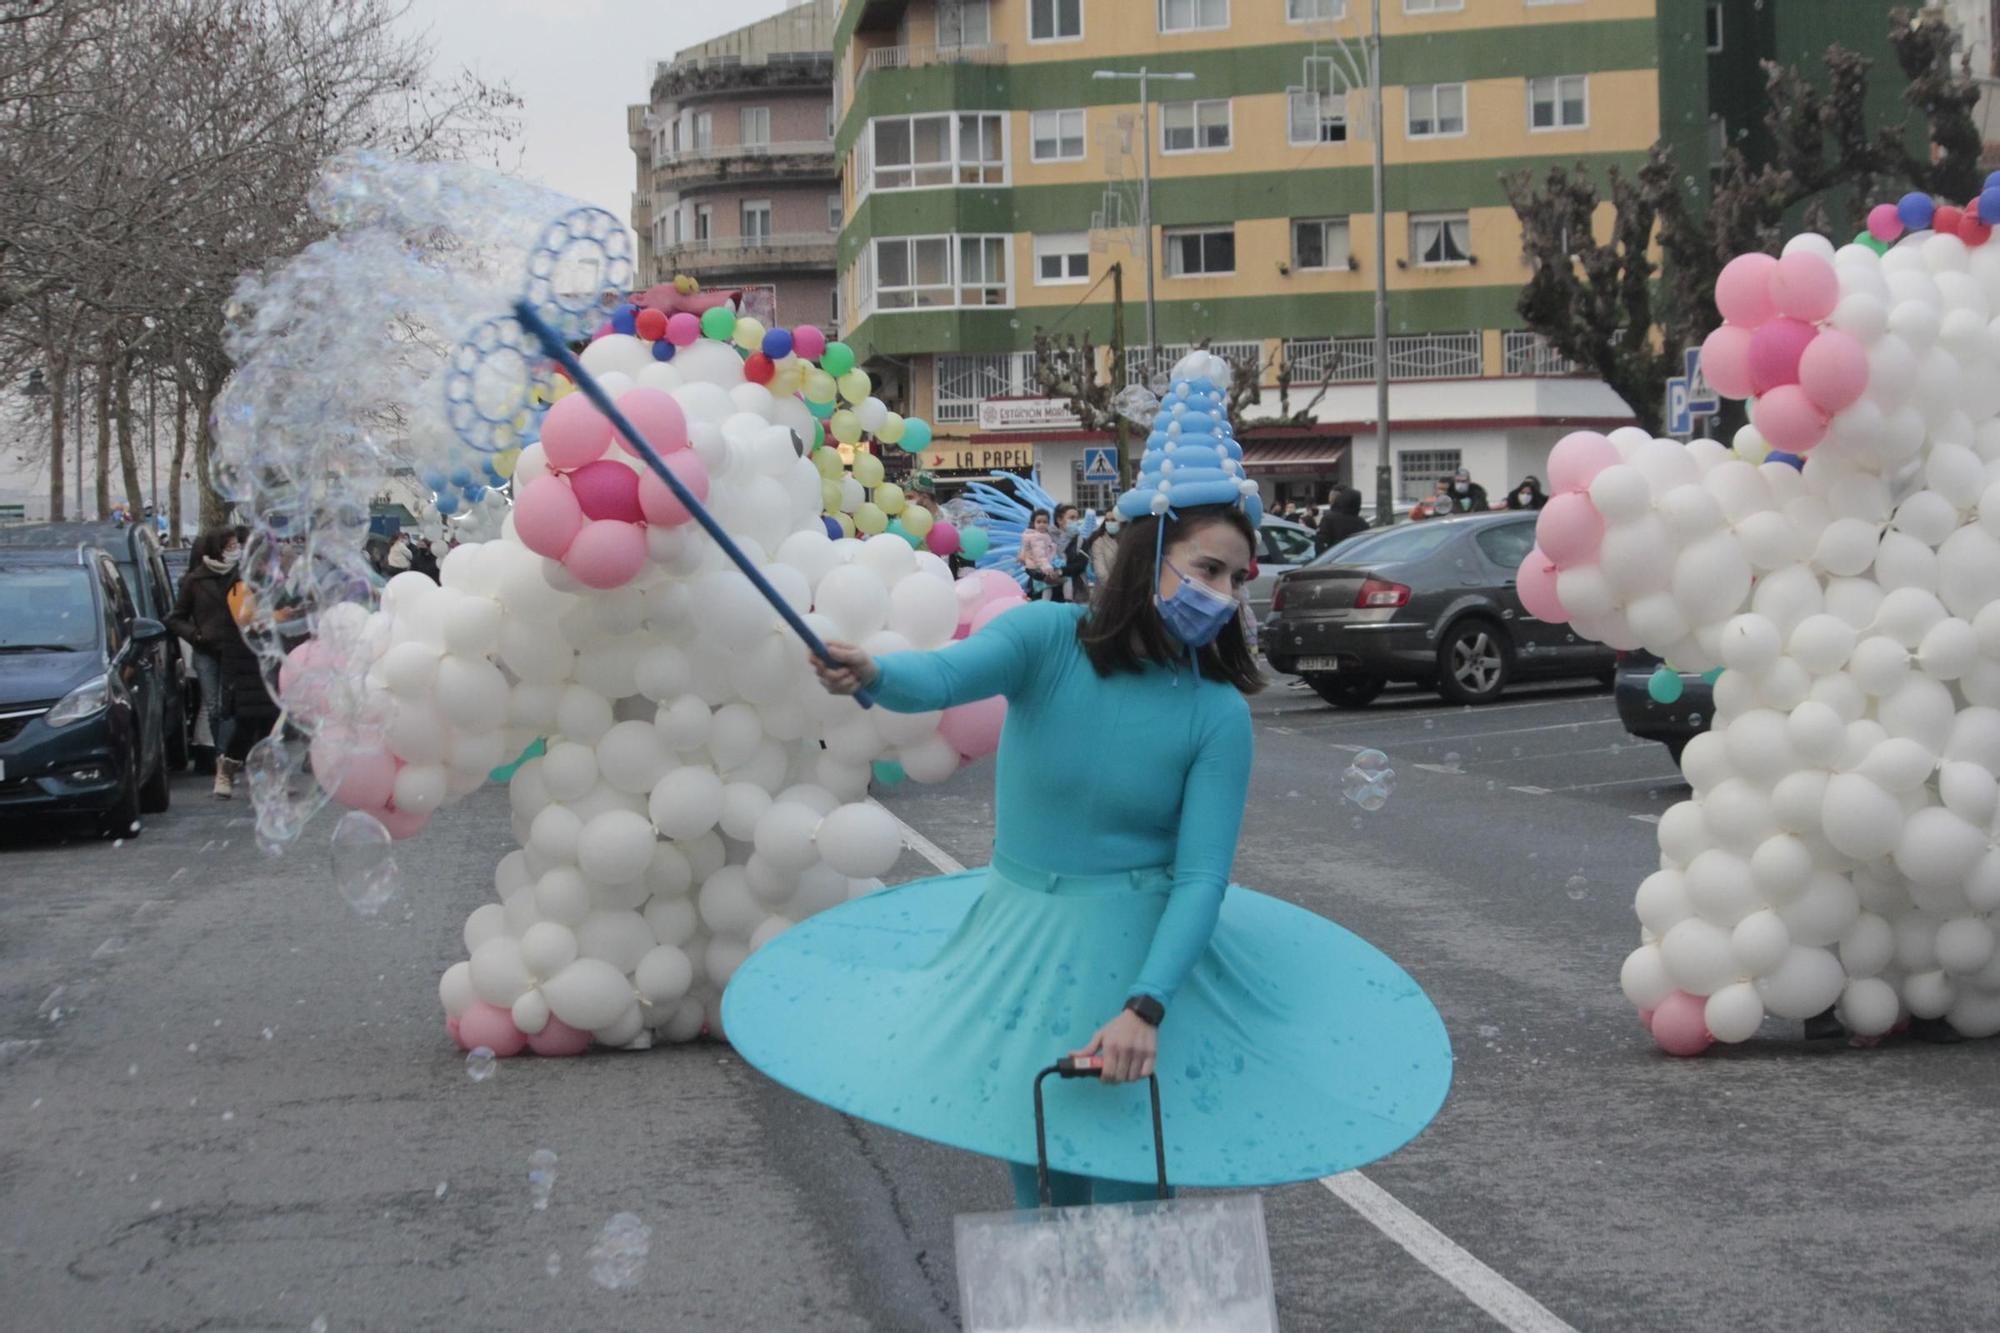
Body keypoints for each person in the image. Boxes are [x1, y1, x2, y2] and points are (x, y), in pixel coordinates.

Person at [723, 365, 1451, 1215]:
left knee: (1129, 1194)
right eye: (1206, 568)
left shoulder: (1217, 716)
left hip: (1133, 964)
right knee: (1039, 1187)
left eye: (1234, 579)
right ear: (1149, 556)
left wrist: (1147, 1006)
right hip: (1017, 956)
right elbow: (943, 677)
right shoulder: (1045, 638)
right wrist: (875, 670)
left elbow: (1201, 878)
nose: (1220, 594)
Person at [167, 527, 256, 797]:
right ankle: (223, 758)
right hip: (206, 650)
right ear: (217, 549)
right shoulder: (194, 581)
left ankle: (224, 761)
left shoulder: (240, 577)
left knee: (229, 706)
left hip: (232, 650)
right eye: (230, 545)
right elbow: (175, 617)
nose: (235, 549)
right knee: (215, 707)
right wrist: (195, 635)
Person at [1018, 509, 1061, 600]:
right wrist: (1047, 569)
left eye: (1045, 522)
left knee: (1042, 590)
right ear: (1034, 523)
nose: (1042, 524)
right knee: (1046, 588)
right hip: (1039, 568)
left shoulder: (1039, 535)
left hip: (1036, 567)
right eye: (1039, 522)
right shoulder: (1037, 537)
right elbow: (1040, 556)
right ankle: (1044, 606)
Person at [1082, 509, 1122, 603]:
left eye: (1113, 520)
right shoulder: (1099, 541)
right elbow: (1100, 571)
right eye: (1107, 520)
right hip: (1106, 591)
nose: (1109, 523)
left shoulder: (1128, 539)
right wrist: (1116, 587)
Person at [1314, 485, 1368, 554]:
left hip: (1333, 561)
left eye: (1331, 499)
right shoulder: (1362, 523)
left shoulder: (1329, 520)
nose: (1330, 502)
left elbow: (1320, 544)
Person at [1053, 503, 1088, 603]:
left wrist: (1061, 571)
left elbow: (1081, 565)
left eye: (1077, 518)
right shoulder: (1049, 539)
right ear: (1059, 520)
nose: (1075, 521)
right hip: (1052, 592)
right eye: (1072, 518)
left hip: (1076, 592)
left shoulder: (1081, 541)